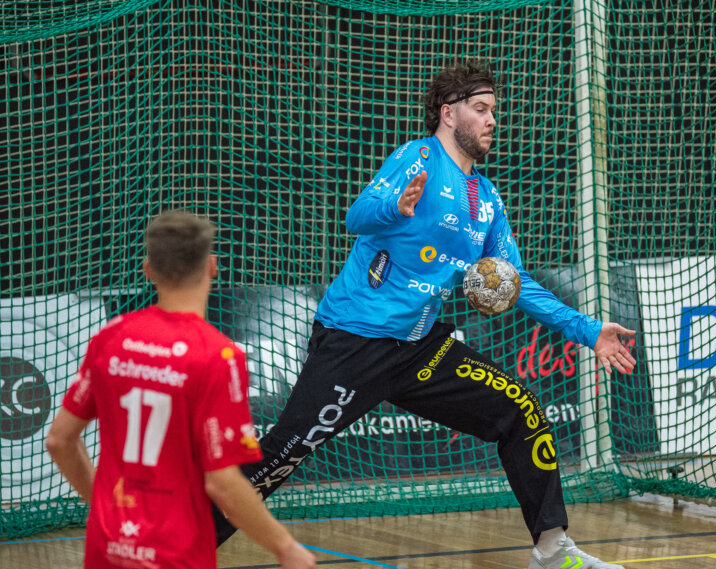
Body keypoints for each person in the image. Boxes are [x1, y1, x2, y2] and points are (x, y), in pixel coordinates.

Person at [212, 61, 636, 569]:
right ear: (448, 113)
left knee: (522, 411)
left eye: (493, 110)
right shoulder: (417, 158)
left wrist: (588, 330)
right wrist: (396, 207)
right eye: (480, 109)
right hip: (356, 340)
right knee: (285, 452)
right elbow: (356, 217)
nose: (492, 120)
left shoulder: (487, 200)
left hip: (420, 349)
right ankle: (184, 545)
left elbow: (515, 281)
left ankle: (552, 551)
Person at [46, 211, 315, 569]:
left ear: (148, 269)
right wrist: (285, 547)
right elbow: (223, 484)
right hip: (176, 552)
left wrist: (102, 504)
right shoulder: (217, 356)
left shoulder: (111, 338)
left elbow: (59, 441)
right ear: (212, 265)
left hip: (109, 544)